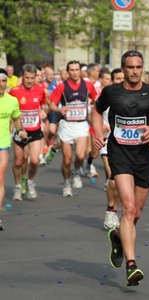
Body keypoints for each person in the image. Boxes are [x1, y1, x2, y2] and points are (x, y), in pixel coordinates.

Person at [92, 50, 149, 286]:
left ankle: (117, 237)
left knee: (136, 213)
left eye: (139, 67)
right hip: (119, 155)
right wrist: (98, 134)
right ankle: (131, 265)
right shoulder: (111, 92)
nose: (135, 71)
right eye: (130, 67)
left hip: (143, 157)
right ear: (124, 68)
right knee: (127, 208)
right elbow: (96, 111)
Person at [48, 61, 98, 196]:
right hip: (66, 125)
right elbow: (51, 105)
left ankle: (75, 171)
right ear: (68, 72)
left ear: (80, 71)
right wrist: (60, 109)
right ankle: (67, 184)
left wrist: (95, 107)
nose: (75, 72)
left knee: (81, 155)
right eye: (72, 70)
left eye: (77, 70)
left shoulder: (88, 85)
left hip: (81, 124)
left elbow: (96, 98)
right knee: (67, 159)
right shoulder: (61, 87)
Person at [9, 64, 47, 201]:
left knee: (35, 160)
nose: (30, 81)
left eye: (32, 78)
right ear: (22, 77)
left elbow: (43, 104)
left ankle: (30, 182)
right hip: (20, 131)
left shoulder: (40, 90)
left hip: (35, 130)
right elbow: (8, 106)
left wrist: (43, 111)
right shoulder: (15, 91)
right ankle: (18, 186)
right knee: (19, 160)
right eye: (27, 78)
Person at [0, 68, 27, 229]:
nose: (1, 84)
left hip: (3, 143)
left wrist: (20, 130)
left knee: (0, 177)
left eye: (3, 81)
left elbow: (16, 117)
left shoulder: (12, 100)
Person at [101, 68, 124, 230]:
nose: (121, 81)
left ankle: (116, 210)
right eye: (118, 78)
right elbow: (93, 113)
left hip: (131, 146)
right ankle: (110, 211)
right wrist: (99, 128)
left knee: (124, 184)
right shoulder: (107, 95)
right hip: (111, 142)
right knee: (114, 180)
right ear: (112, 81)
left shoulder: (136, 96)